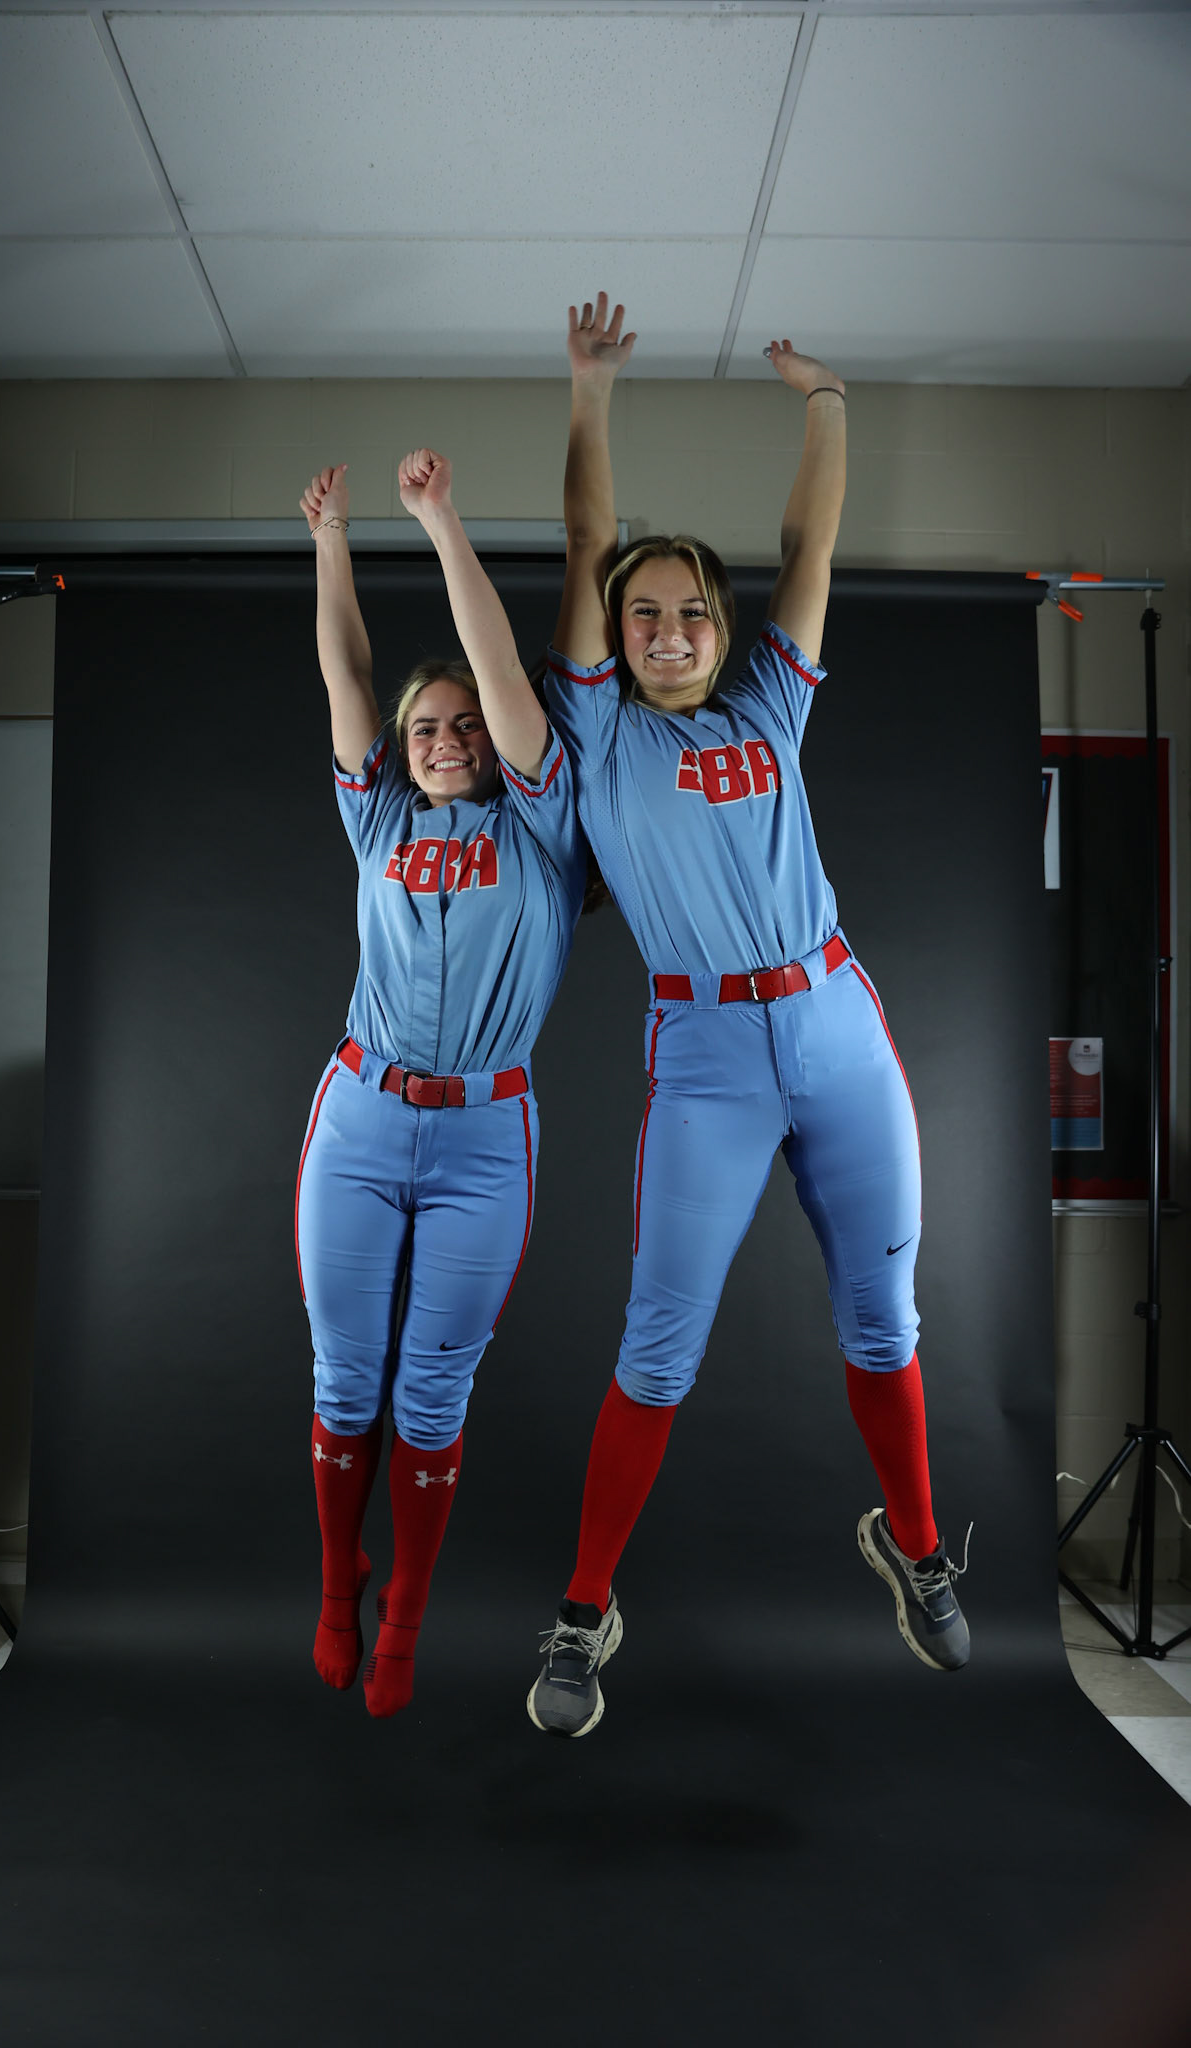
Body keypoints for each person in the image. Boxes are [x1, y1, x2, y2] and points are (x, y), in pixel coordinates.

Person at [526, 296, 970, 1739]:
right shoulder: (597, 731)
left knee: (881, 1316)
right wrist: (589, 393)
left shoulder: (771, 704)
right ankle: (584, 1613)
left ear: (722, 627)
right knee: (658, 1347)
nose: (661, 627)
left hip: (835, 1024)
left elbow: (813, 545)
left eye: (687, 610)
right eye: (640, 611)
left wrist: (826, 402)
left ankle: (911, 1548)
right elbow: (588, 542)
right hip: (709, 1055)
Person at [296, 448, 584, 1718]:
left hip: (484, 1138)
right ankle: (336, 1585)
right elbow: (349, 675)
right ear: (401, 754)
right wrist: (333, 546)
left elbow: (501, 678)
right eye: (428, 727)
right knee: (344, 1375)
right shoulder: (380, 824)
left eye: (465, 722)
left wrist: (438, 518)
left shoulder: (545, 827)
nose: (448, 737)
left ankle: (407, 1605)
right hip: (361, 1117)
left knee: (430, 1387)